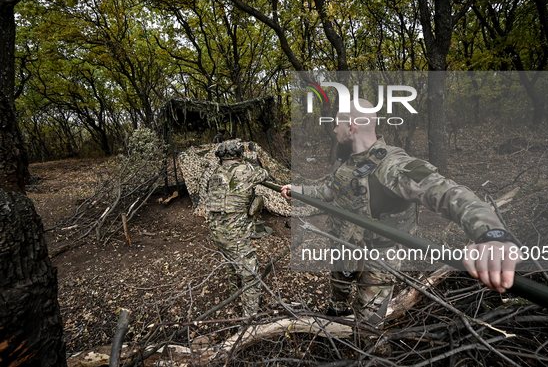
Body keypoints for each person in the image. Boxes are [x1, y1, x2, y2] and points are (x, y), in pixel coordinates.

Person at [281, 99, 521, 323]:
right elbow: (328, 191)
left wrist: (490, 234)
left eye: (337, 124)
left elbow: (448, 193)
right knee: (338, 299)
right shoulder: (348, 160)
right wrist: (296, 190)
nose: (334, 130)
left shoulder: (393, 165)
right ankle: (335, 323)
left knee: (369, 324)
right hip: (343, 246)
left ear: (351, 127)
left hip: (379, 261)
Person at [206, 140, 268, 316]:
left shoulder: (214, 173)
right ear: (240, 155)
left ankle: (234, 294)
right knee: (251, 274)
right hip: (234, 232)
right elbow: (265, 174)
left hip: (215, 228)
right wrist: (252, 161)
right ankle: (250, 319)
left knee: (230, 261)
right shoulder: (246, 170)